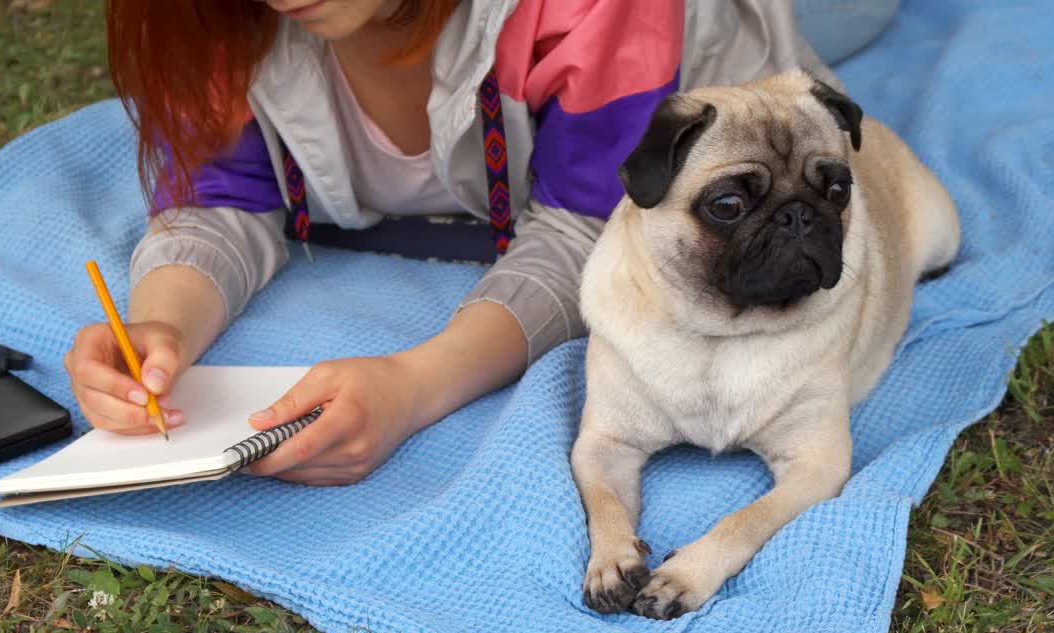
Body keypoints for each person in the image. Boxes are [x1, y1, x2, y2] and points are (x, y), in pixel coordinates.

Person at [63, 0, 898, 485]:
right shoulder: (210, 16)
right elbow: (220, 197)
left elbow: (589, 225)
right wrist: (159, 326)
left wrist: (415, 385)